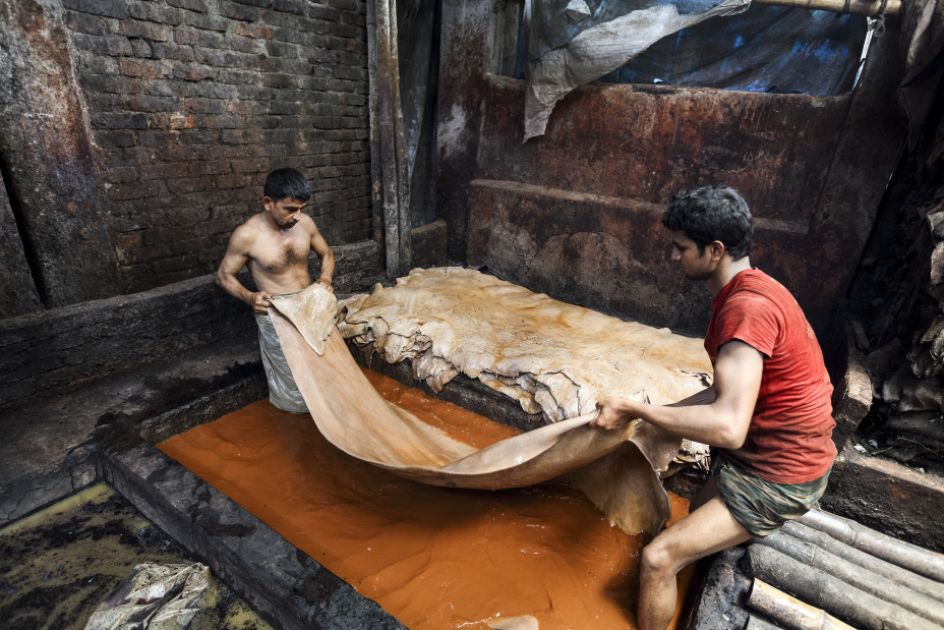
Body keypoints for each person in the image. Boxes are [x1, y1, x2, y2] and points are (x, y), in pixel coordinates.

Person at [592, 186, 836, 630]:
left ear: (715, 250)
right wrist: (653, 417)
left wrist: (637, 409)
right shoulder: (756, 288)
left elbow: (728, 428)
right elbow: (724, 395)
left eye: (680, 247)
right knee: (682, 529)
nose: (673, 256)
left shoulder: (746, 310)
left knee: (658, 557)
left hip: (779, 475)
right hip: (763, 457)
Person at [216, 167, 335, 413]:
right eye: (290, 209)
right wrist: (249, 297)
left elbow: (327, 253)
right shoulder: (247, 235)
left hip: (311, 304)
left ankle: (330, 418)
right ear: (268, 203)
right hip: (277, 310)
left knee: (325, 366)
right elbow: (223, 275)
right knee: (291, 378)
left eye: (301, 209)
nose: (297, 216)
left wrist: (325, 278)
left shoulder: (306, 224)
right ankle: (297, 427)